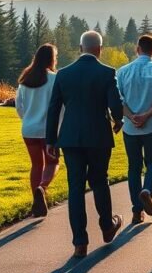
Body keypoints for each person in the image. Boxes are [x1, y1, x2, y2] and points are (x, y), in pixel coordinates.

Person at [46, 31, 124, 258]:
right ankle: (107, 226)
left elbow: (54, 109)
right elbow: (115, 104)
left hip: (70, 137)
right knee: (100, 181)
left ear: (80, 49)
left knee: (76, 187)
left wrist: (51, 140)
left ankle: (80, 241)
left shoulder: (63, 74)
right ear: (99, 49)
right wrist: (118, 120)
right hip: (98, 136)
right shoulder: (107, 73)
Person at [116, 34, 152, 225]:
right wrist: (147, 115)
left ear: (137, 49)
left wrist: (131, 116)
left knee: (134, 167)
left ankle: (136, 211)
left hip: (130, 127)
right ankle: (147, 190)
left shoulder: (123, 72)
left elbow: (118, 99)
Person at [15, 44, 61, 218]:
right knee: (53, 162)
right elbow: (60, 106)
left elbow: (19, 106)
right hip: (48, 130)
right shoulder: (55, 79)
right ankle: (42, 188)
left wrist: (27, 119)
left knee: (36, 164)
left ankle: (36, 202)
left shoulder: (25, 80)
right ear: (51, 59)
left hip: (29, 129)